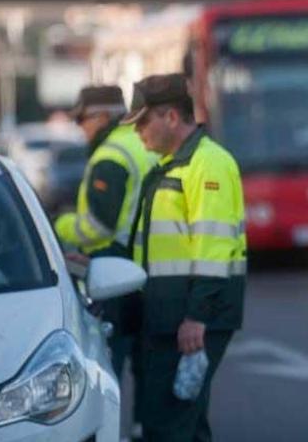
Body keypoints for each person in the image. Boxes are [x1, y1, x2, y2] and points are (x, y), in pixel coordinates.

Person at [121, 73, 246, 442]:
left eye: (143, 122)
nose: (138, 131)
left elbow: (214, 250)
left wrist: (196, 316)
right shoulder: (173, 164)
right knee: (185, 425)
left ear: (171, 117)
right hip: (172, 315)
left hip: (191, 319)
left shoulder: (208, 164)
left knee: (167, 424)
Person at [55, 85, 156, 438]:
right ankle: (145, 428)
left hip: (113, 266)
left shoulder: (111, 155)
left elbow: (99, 226)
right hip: (152, 265)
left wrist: (62, 226)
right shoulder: (143, 145)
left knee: (107, 360)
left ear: (100, 115)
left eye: (82, 118)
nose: (80, 127)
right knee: (148, 362)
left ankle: (106, 431)